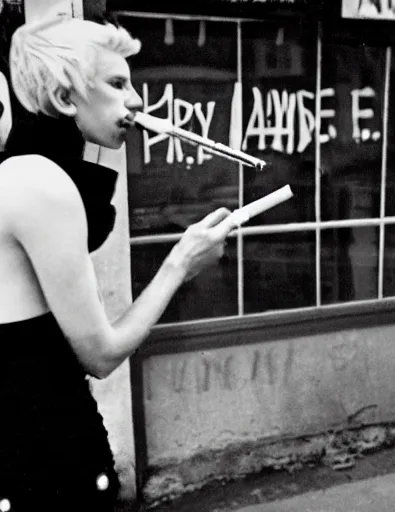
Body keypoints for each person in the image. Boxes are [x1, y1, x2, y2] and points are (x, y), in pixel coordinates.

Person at [0, 14, 235, 511]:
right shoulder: (42, 184)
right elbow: (102, 355)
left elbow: (90, 226)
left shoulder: (20, 172)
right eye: (116, 83)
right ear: (66, 98)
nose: (136, 100)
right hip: (46, 460)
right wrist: (181, 262)